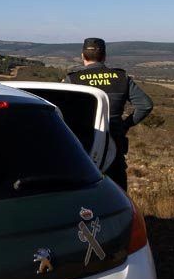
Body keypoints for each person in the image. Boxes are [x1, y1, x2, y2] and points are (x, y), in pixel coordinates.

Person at [64, 38, 153, 191]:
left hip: (83, 145)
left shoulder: (73, 80)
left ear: (83, 56)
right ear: (104, 56)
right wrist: (125, 125)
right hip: (114, 143)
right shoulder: (121, 78)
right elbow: (145, 105)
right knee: (116, 191)